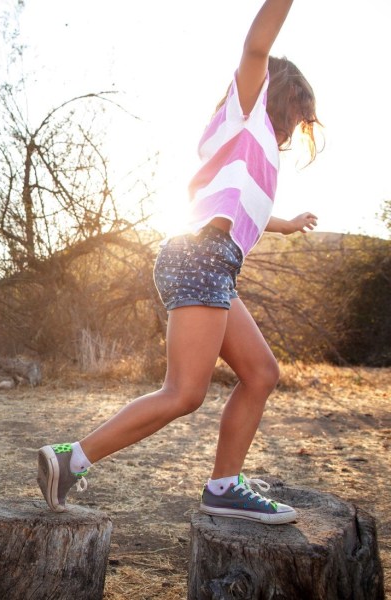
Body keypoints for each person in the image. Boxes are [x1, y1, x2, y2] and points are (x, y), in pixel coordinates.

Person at [38, 0, 321, 524]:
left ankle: (223, 486)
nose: (291, 128)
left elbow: (247, 210)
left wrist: (289, 222)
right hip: (201, 258)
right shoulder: (247, 106)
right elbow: (256, 44)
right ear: (277, 97)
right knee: (184, 392)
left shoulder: (252, 148)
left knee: (260, 373)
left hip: (214, 262)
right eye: (294, 115)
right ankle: (71, 459)